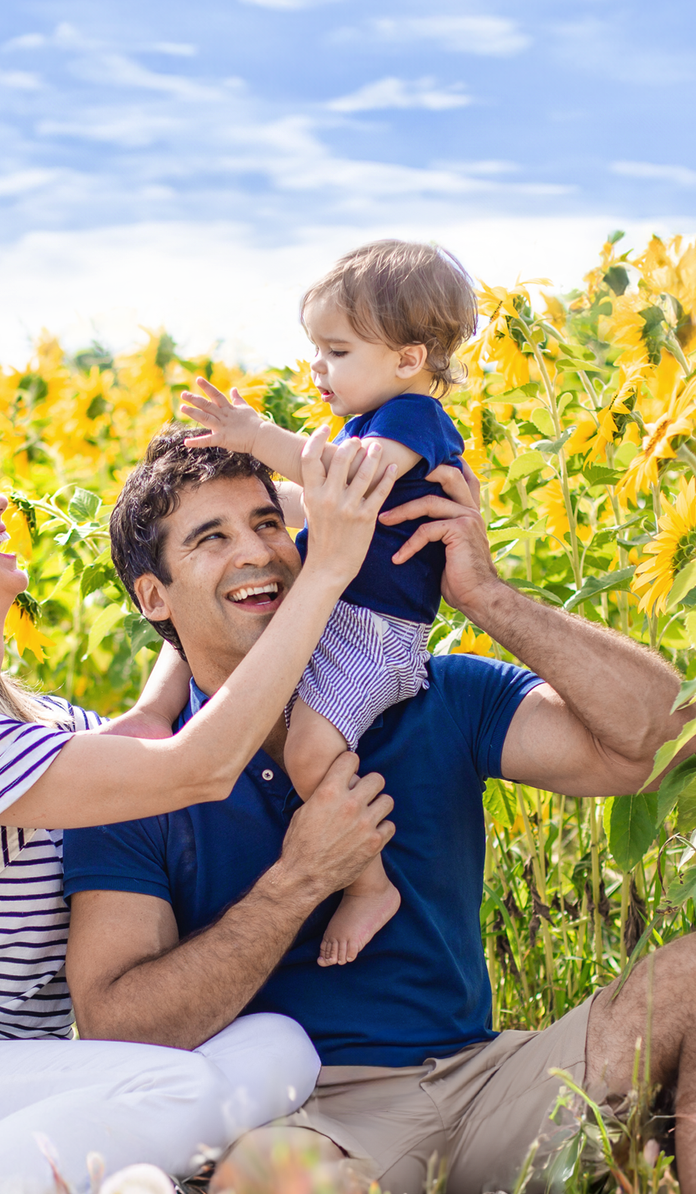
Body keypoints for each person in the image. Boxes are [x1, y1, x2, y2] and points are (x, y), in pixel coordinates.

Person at [60, 429, 696, 1194]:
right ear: (155, 597)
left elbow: (671, 741)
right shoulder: (133, 779)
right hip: (310, 1117)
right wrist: (301, 879)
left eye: (268, 524)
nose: (257, 553)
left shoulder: (429, 694)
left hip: (486, 1081)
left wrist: (487, 596)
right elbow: (117, 1027)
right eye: (211, 538)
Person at [0, 434, 401, 1194]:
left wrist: (235, 549)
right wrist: (326, 574)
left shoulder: (36, 725)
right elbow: (199, 764)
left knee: (282, 1046)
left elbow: (150, 722)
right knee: (176, 1091)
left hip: (3, 1078)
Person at [178, 239, 477, 967]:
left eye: (337, 351)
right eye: (315, 349)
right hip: (339, 616)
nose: (318, 368)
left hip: (375, 634)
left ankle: (369, 884)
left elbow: (346, 487)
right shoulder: (366, 424)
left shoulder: (414, 420)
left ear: (408, 359)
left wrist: (256, 437)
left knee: (311, 753)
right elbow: (320, 505)